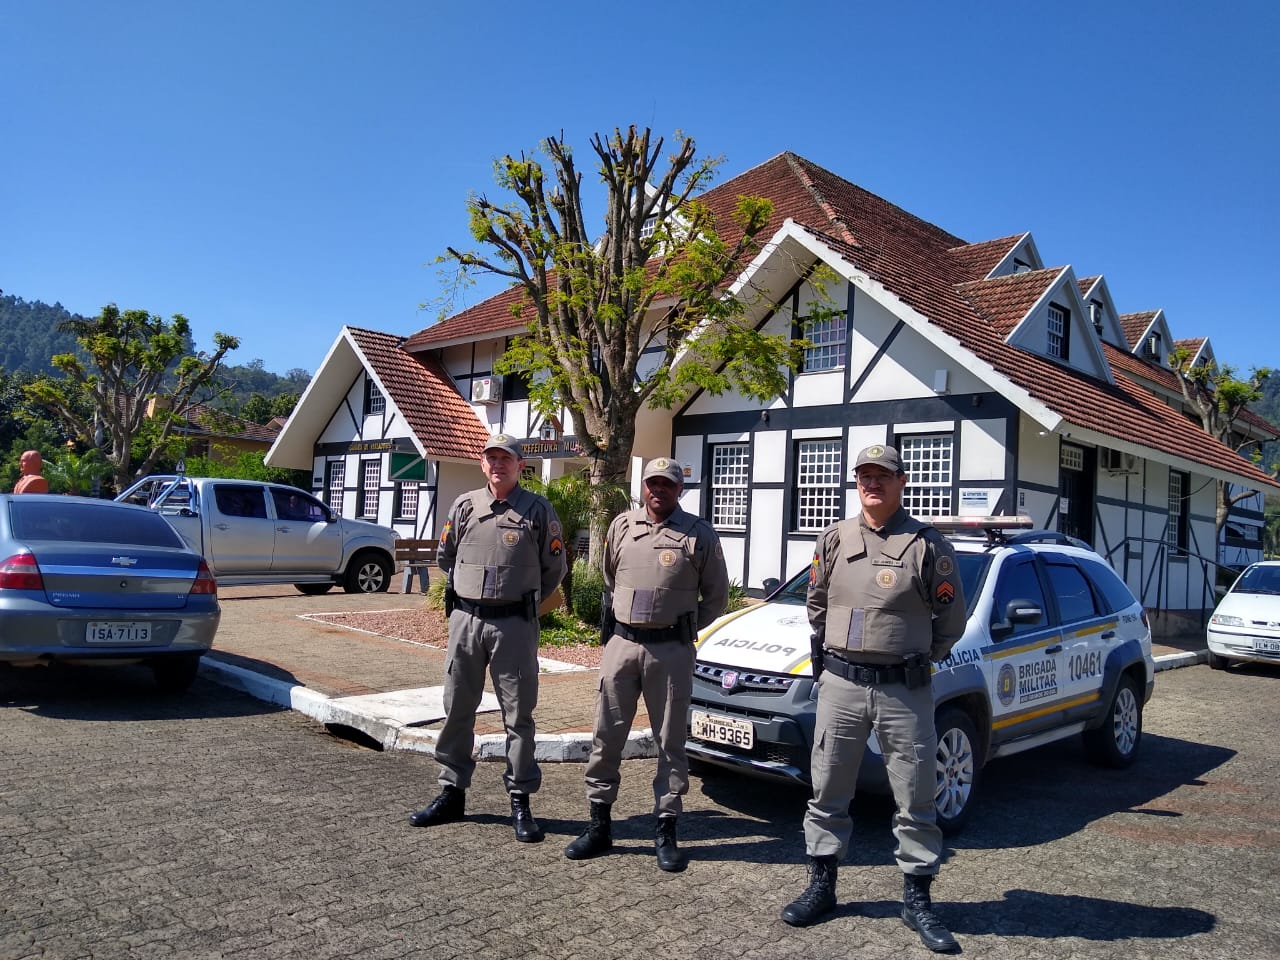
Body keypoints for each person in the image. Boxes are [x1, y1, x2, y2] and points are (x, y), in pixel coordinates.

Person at [780, 444, 966, 953]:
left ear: (901, 482)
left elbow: (951, 621)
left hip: (904, 689)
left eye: (882, 475)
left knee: (916, 794)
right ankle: (822, 887)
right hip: (841, 685)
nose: (872, 483)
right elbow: (816, 604)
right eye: (864, 475)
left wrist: (914, 657)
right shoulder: (834, 538)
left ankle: (917, 900)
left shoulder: (927, 544)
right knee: (827, 788)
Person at [564, 456, 729, 872]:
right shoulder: (622, 526)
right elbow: (609, 578)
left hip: (671, 650)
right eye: (652, 483)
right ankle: (599, 824)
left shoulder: (698, 533)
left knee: (670, 741)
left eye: (667, 484)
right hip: (621, 644)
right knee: (606, 735)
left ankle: (666, 828)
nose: (658, 490)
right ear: (644, 486)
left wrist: (678, 625)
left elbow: (716, 597)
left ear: (679, 489)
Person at [408, 434, 566, 843]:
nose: (498, 464)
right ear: (482, 464)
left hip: (513, 625)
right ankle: (452, 792)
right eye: (491, 457)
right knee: (457, 708)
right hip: (466, 621)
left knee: (518, 715)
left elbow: (554, 569)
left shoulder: (537, 510)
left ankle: (520, 799)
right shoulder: (464, 506)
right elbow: (446, 556)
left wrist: (519, 598)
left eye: (505, 458)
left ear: (520, 465)